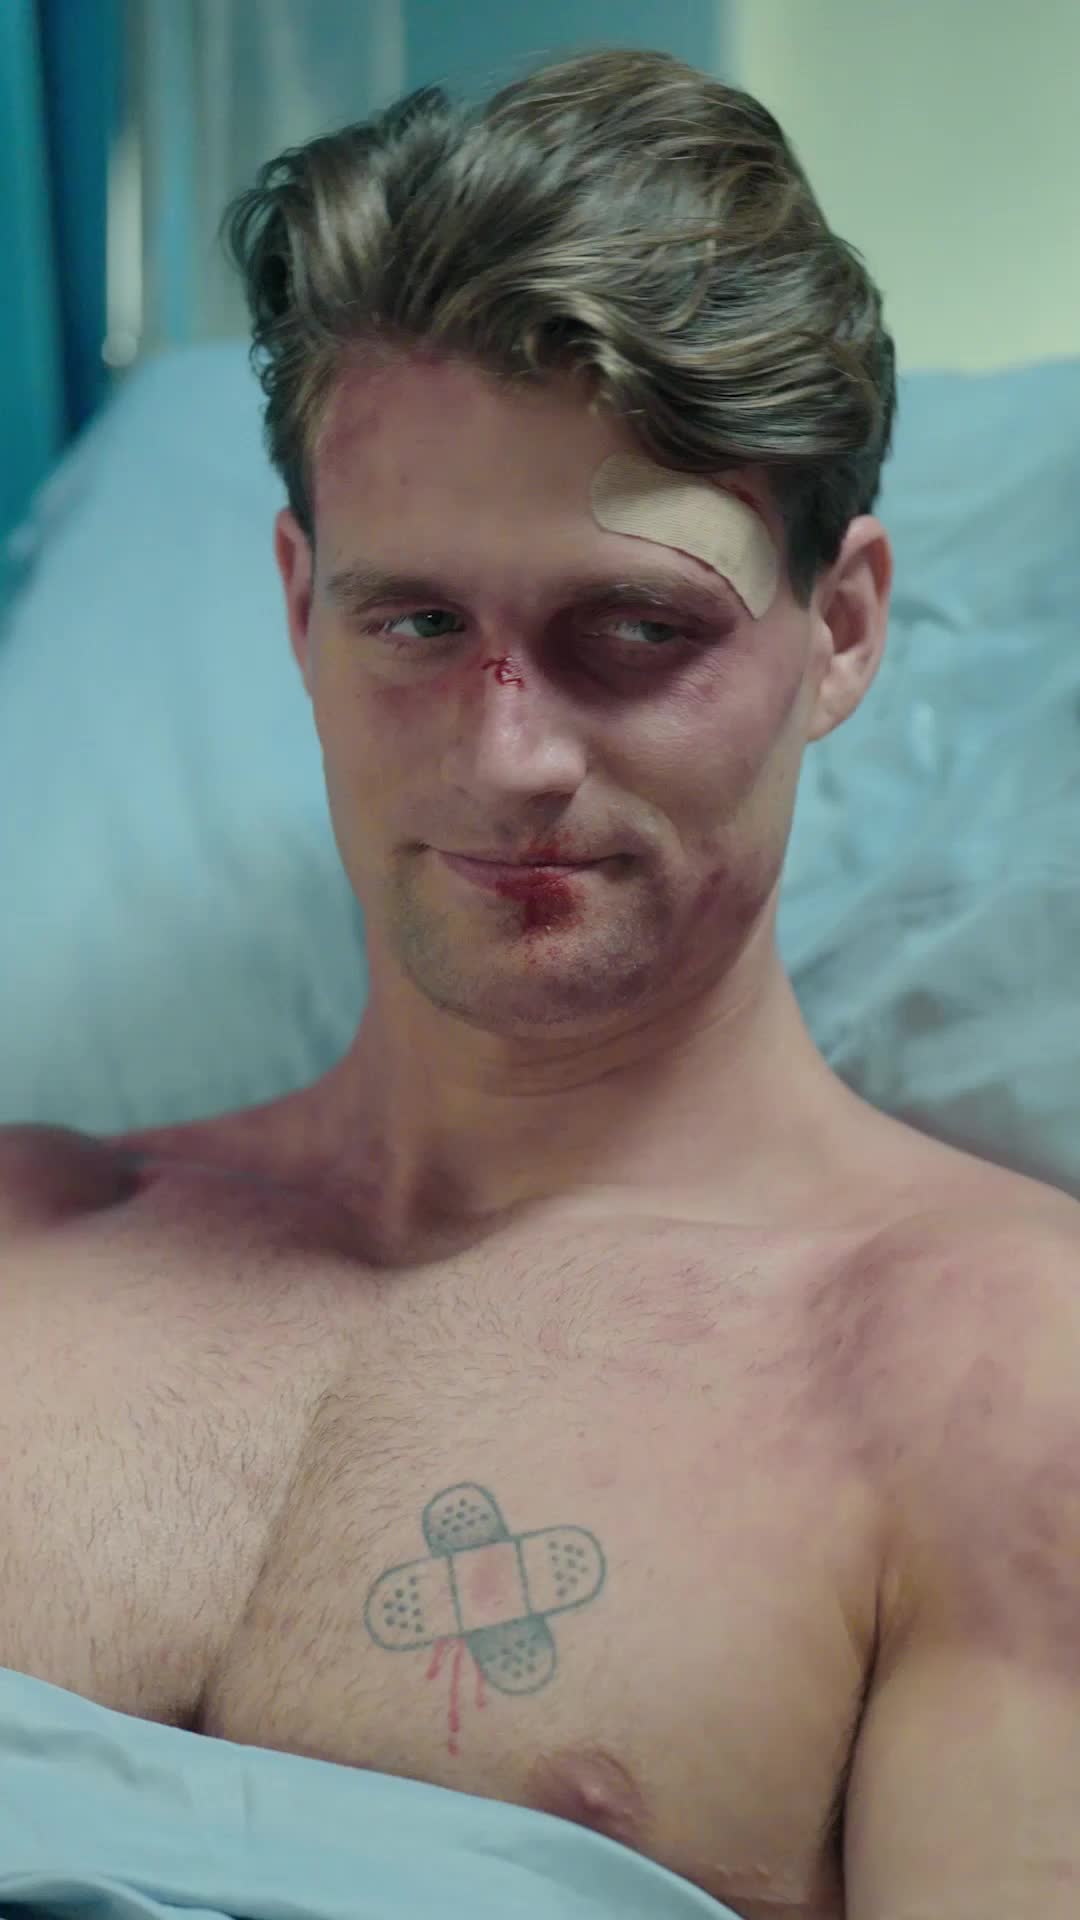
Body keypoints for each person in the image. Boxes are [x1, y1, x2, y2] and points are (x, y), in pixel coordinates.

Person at [2, 45, 1079, 1920]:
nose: (509, 758)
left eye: (635, 629)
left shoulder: (990, 1379)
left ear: (840, 630)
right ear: (299, 607)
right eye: (418, 621)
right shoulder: (25, 1245)